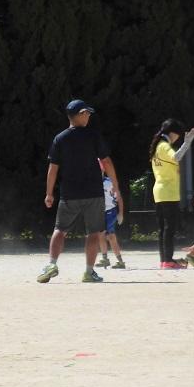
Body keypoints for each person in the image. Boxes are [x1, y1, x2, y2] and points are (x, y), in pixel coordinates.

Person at [37, 100, 122, 283]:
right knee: (93, 232)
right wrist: (115, 185)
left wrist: (49, 193)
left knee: (60, 229)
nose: (89, 116)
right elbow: (106, 161)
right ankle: (89, 272)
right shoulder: (93, 136)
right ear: (80, 114)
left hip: (69, 193)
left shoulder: (60, 138)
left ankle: (51, 264)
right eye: (87, 113)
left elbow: (53, 168)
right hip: (93, 193)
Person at [149, 119, 194, 269]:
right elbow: (176, 157)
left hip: (159, 191)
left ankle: (164, 260)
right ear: (173, 133)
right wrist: (187, 143)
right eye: (179, 135)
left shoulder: (157, 146)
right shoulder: (164, 146)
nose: (178, 138)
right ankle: (168, 260)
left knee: (163, 228)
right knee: (170, 228)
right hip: (168, 192)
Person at [95, 161, 126, 269]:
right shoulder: (92, 184)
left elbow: (119, 197)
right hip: (99, 212)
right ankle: (108, 259)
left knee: (108, 235)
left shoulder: (109, 182)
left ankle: (118, 261)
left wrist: (120, 213)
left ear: (103, 170)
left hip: (110, 211)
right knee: (103, 235)